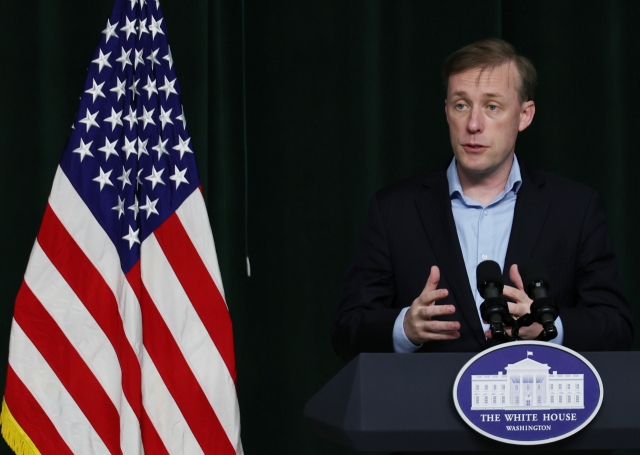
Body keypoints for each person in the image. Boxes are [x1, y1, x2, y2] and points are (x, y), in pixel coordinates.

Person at [332, 38, 633, 363]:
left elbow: (616, 328)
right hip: (425, 408)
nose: (473, 125)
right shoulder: (394, 210)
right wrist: (403, 328)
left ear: (524, 115)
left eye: (492, 107)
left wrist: (549, 327)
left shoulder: (575, 208)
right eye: (461, 105)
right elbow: (347, 331)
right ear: (446, 111)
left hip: (531, 408)